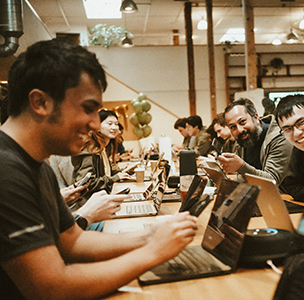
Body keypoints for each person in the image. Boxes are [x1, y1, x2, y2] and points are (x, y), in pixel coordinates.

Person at [0, 39, 197, 299]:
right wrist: (153, 252)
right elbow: (51, 287)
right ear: (40, 102)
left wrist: (152, 235)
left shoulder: (36, 165)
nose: (95, 124)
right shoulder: (6, 170)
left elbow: (72, 240)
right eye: (88, 109)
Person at [218, 98, 292, 188]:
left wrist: (241, 167)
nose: (240, 130)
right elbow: (246, 176)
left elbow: (272, 181)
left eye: (242, 122)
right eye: (233, 127)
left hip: (285, 197)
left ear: (256, 118)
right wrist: (232, 183)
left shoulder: (279, 138)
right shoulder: (243, 141)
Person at [72, 110, 132, 199]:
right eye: (110, 123)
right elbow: (87, 183)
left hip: (103, 197)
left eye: (116, 124)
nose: (115, 127)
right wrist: (115, 178)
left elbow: (106, 172)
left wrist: (124, 172)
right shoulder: (91, 150)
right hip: (91, 203)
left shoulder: (103, 147)